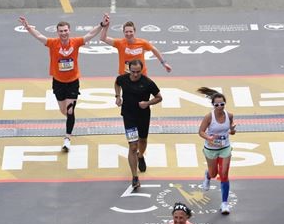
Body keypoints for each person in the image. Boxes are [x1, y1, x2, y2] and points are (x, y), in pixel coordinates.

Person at [19, 14, 108, 152]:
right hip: (58, 82)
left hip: (73, 82)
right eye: (61, 31)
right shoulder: (53, 43)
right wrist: (28, 27)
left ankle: (67, 138)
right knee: (63, 110)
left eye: (65, 30)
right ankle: (70, 120)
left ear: (69, 31)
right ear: (57, 32)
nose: (64, 33)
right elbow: (39, 36)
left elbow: (90, 34)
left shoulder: (76, 42)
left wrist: (101, 25)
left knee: (70, 110)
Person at [114, 59, 162, 188]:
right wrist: (118, 96)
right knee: (133, 146)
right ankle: (135, 176)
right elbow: (117, 83)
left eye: (138, 72)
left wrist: (147, 103)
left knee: (143, 141)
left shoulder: (148, 83)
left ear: (142, 70)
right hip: (128, 116)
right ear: (129, 69)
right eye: (133, 72)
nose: (135, 74)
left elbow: (159, 97)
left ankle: (141, 156)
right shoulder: (122, 79)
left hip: (143, 116)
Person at [197, 87, 236, 215]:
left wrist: (233, 130)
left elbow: (231, 131)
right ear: (213, 105)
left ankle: (224, 203)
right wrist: (209, 138)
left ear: (225, 104)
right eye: (217, 104)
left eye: (222, 104)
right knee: (214, 174)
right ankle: (207, 175)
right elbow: (201, 132)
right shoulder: (209, 117)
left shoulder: (229, 115)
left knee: (224, 173)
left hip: (225, 147)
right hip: (211, 149)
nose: (220, 106)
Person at [100, 20, 172, 76]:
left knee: (144, 95)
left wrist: (164, 63)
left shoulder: (142, 43)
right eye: (126, 32)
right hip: (125, 75)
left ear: (134, 31)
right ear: (123, 32)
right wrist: (105, 26)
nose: (128, 34)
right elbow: (103, 38)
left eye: (131, 31)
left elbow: (154, 49)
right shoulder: (119, 43)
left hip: (141, 75)